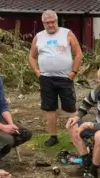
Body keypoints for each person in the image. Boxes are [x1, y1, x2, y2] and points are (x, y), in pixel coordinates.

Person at [28, 10, 83, 147]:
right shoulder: (39, 37)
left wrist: (74, 71)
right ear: (43, 23)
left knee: (70, 108)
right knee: (49, 108)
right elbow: (32, 56)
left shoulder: (67, 33)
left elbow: (78, 54)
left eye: (53, 22)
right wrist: (37, 71)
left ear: (56, 21)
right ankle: (53, 137)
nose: (50, 25)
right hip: (46, 78)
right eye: (47, 23)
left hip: (65, 77)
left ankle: (75, 135)